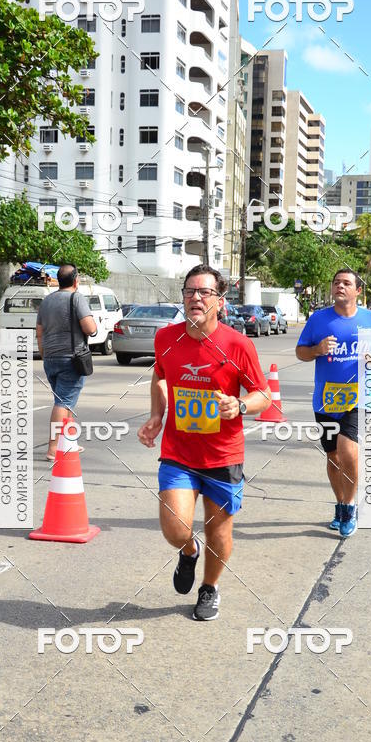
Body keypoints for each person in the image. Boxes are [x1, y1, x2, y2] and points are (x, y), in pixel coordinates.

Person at [137, 265, 270, 621]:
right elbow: (160, 377)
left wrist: (240, 405)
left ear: (220, 301)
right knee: (174, 526)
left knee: (219, 530)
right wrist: (156, 415)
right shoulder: (166, 338)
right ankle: (188, 551)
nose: (196, 297)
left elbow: (263, 395)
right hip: (179, 452)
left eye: (204, 292)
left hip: (223, 455)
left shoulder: (237, 345)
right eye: (189, 291)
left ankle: (209, 588)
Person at [296, 268, 371, 538]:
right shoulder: (319, 319)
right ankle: (340, 504)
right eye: (336, 283)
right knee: (332, 456)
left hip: (357, 397)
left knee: (348, 452)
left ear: (358, 291)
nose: (340, 286)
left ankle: (350, 506)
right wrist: (317, 350)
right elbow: (301, 352)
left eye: (346, 283)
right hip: (326, 400)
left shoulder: (370, 319)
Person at [36, 264, 96, 460]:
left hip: (50, 358)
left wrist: (45, 355)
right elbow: (89, 328)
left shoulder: (46, 301)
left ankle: (68, 442)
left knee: (65, 401)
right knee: (63, 403)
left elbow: (39, 332)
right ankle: (53, 448)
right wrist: (94, 327)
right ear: (76, 280)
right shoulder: (76, 298)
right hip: (71, 358)